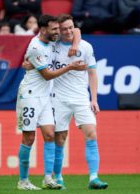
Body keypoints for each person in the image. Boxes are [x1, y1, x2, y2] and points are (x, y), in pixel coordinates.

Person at [16, 14, 87, 190]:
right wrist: (70, 66)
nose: (58, 32)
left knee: (49, 134)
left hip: (45, 97)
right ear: (43, 29)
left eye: (58, 28)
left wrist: (76, 44)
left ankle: (48, 178)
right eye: (54, 29)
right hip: (30, 96)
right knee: (29, 137)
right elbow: (47, 75)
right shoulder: (36, 47)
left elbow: (76, 30)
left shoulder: (50, 40)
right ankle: (23, 181)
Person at [49, 14, 108, 190]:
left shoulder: (86, 47)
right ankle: (58, 177)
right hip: (58, 98)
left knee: (91, 134)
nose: (68, 31)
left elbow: (92, 73)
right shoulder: (52, 46)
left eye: (70, 27)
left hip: (81, 98)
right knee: (60, 139)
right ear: (58, 30)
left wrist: (94, 99)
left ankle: (93, 178)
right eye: (64, 28)